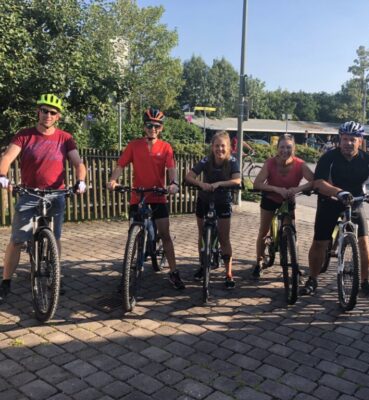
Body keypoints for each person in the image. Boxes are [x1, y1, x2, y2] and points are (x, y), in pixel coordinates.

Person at [0, 94, 87, 303]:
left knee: (55, 238)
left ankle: (55, 277)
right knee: (17, 240)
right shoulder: (25, 135)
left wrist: (81, 180)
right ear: (38, 112)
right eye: (44, 111)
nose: (48, 115)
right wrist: (2, 175)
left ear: (58, 117)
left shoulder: (65, 138)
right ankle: (6, 281)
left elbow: (78, 163)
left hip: (56, 194)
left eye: (52, 112)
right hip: (29, 193)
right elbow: (7, 157)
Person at [300, 121, 369, 297]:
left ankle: (365, 281)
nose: (348, 143)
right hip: (330, 201)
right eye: (345, 139)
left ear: (360, 141)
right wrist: (338, 192)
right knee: (320, 242)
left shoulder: (368, 160)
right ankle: (312, 279)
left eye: (353, 139)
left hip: (355, 202)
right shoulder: (329, 158)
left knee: (363, 242)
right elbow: (318, 182)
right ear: (340, 139)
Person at [107, 107, 185, 290]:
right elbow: (120, 165)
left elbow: (171, 169)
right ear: (144, 127)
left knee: (165, 234)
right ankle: (128, 275)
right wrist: (112, 180)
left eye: (157, 126)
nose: (153, 129)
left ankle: (174, 272)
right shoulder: (134, 145)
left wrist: (173, 183)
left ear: (161, 128)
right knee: (133, 234)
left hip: (158, 196)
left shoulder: (166, 147)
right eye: (149, 125)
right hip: (138, 195)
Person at [252, 134, 314, 278]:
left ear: (294, 148)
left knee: (291, 231)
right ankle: (259, 261)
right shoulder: (270, 163)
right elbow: (257, 183)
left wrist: (297, 189)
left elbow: (314, 181)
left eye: (288, 147)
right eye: (282, 147)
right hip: (270, 199)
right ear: (277, 148)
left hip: (288, 200)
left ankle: (295, 263)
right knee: (264, 231)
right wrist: (276, 189)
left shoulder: (300, 164)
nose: (285, 150)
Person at [185, 131, 241, 289]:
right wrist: (201, 184)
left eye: (223, 146)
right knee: (202, 235)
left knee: (224, 239)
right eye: (217, 146)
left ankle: (228, 273)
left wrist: (220, 184)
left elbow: (237, 180)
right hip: (204, 199)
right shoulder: (206, 160)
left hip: (222, 201)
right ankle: (203, 266)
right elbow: (189, 176)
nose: (219, 149)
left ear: (228, 147)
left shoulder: (232, 161)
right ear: (212, 147)